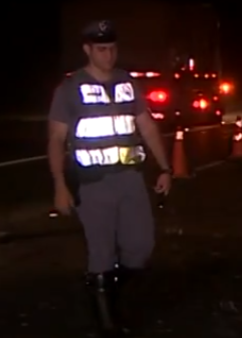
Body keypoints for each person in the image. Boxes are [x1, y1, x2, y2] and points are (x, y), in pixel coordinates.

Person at [47, 20, 173, 336]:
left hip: (130, 179)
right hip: (92, 183)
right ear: (87, 50)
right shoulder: (70, 89)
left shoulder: (127, 82)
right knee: (101, 250)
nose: (108, 55)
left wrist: (165, 167)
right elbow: (55, 140)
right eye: (101, 49)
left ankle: (113, 294)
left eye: (112, 48)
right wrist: (60, 185)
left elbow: (146, 127)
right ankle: (107, 323)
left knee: (140, 247)